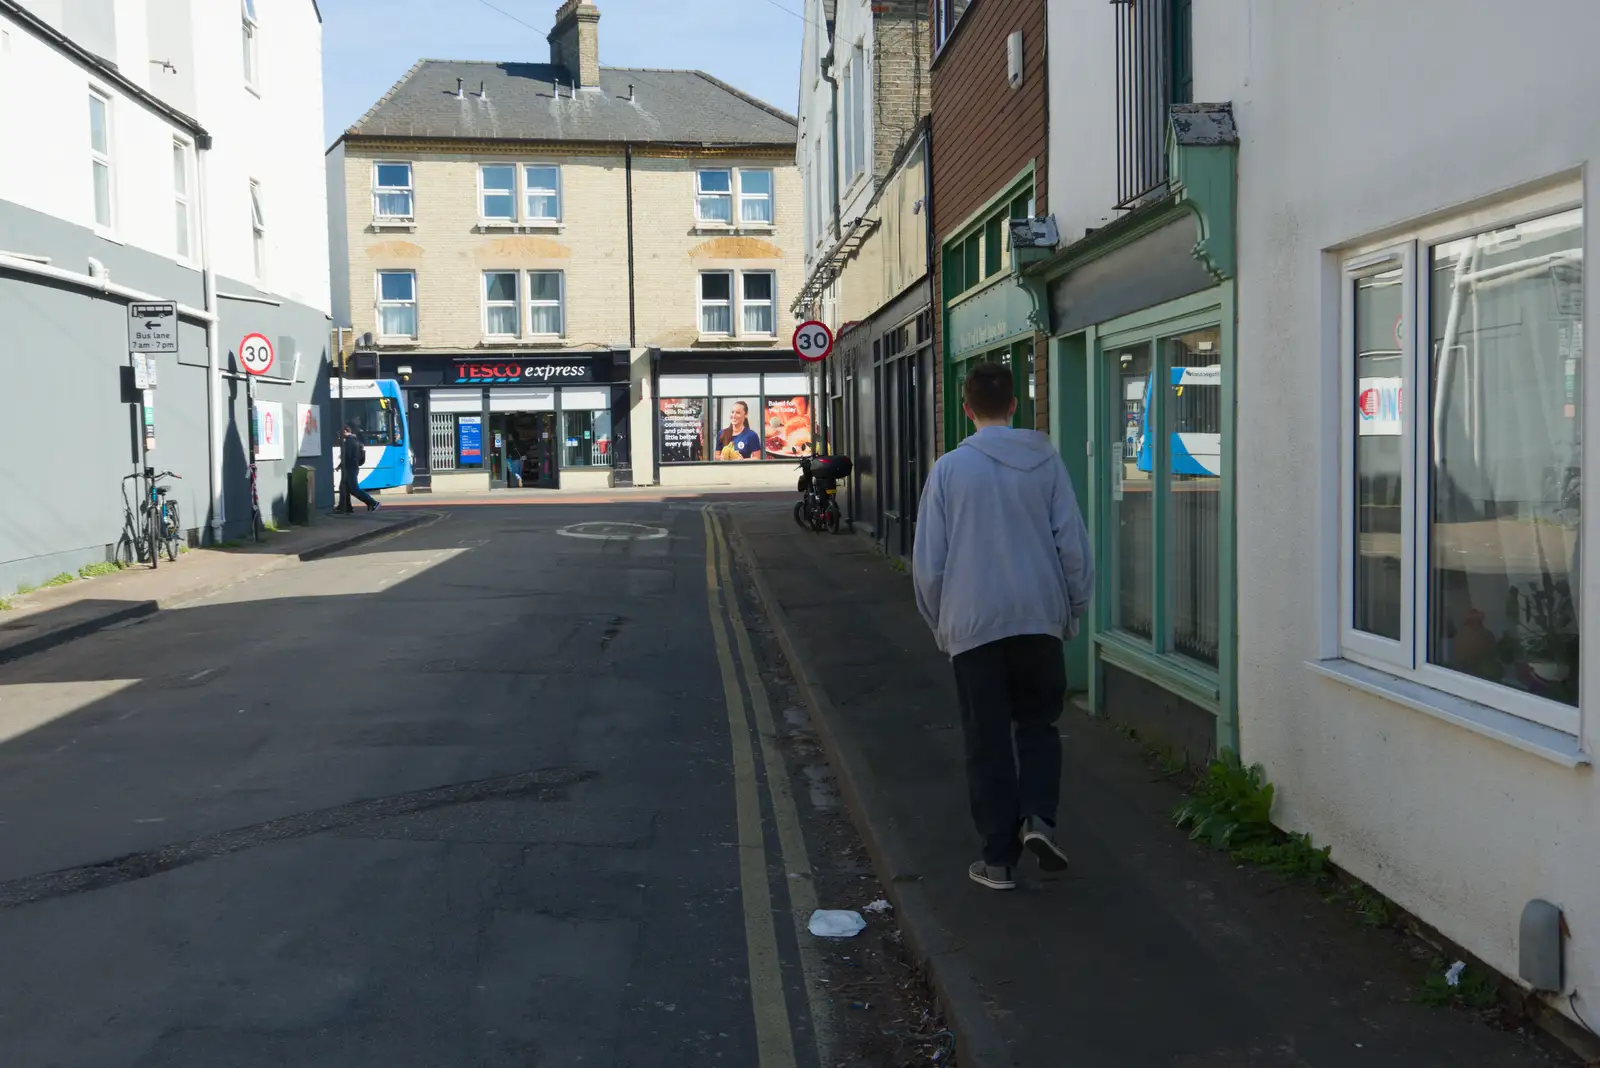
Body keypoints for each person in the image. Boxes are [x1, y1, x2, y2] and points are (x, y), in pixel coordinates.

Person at [912, 362, 1092, 891]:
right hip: (1038, 618)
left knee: (986, 741)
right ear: (1015, 405)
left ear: (966, 409)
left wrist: (940, 622)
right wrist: (1072, 608)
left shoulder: (949, 469)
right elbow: (1073, 547)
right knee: (1038, 725)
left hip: (973, 624)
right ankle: (1039, 819)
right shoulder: (1047, 462)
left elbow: (930, 563)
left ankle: (997, 863)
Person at [338, 425, 379, 513]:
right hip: (351, 467)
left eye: (340, 433)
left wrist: (341, 461)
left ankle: (373, 503)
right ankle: (345, 507)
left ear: (345, 431)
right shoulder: (353, 440)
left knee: (354, 489)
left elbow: (347, 456)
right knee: (344, 488)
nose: (339, 435)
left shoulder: (350, 442)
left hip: (350, 468)